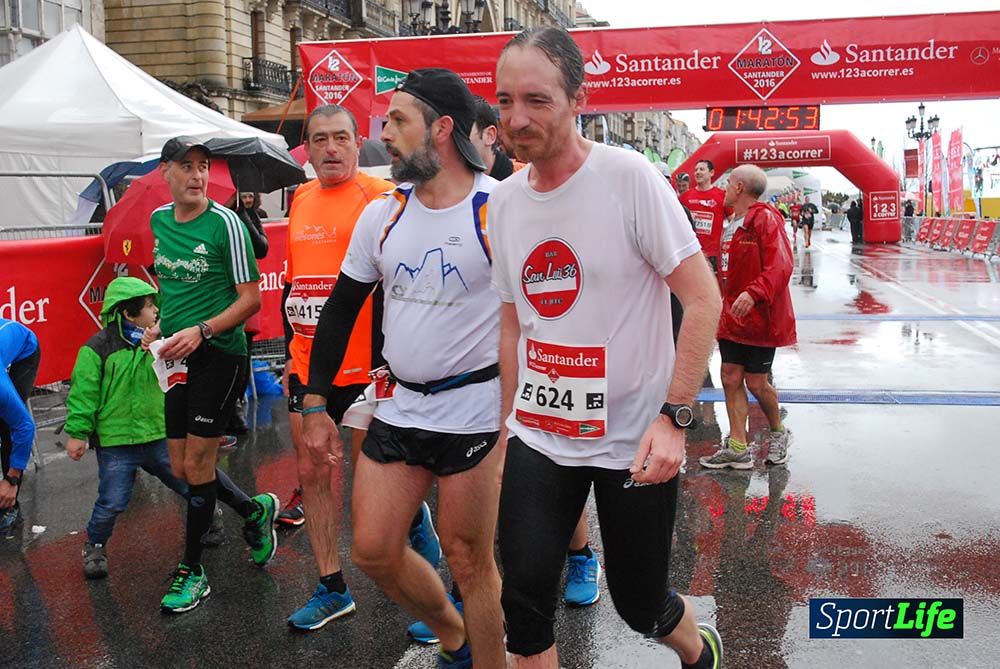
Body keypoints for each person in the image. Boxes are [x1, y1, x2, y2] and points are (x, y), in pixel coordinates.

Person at [491, 27, 724, 669]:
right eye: (505, 100)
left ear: (577, 99)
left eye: (537, 100)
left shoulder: (628, 178)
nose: (516, 118)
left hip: (634, 439)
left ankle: (698, 649)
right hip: (541, 433)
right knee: (525, 605)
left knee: (638, 602)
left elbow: (703, 299)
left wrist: (675, 418)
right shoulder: (504, 203)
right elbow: (516, 325)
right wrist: (509, 426)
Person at [302, 68, 505, 669]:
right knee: (371, 549)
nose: (383, 133)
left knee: (471, 563)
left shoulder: (499, 208)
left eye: (397, 121)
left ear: (441, 128)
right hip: (401, 404)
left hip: (475, 410)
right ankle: (453, 632)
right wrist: (315, 402)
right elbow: (341, 310)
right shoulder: (383, 214)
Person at [279, 104, 400, 631]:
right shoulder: (302, 197)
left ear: (357, 144)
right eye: (320, 139)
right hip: (310, 371)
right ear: (307, 148)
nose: (330, 149)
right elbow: (298, 286)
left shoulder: (382, 198)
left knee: (381, 486)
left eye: (340, 139)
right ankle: (331, 587)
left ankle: (417, 584)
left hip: (370, 368)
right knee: (314, 476)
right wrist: (291, 355)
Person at [146, 136, 279, 613]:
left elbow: (251, 300)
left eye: (203, 166)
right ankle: (253, 509)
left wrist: (202, 330)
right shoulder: (159, 221)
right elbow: (173, 286)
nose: (198, 175)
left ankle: (192, 571)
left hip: (220, 352)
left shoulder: (227, 225)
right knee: (182, 468)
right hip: (177, 357)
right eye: (187, 166)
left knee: (198, 467)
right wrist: (161, 325)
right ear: (166, 172)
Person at [64, 277, 224, 579]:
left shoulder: (162, 341)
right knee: (111, 501)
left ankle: (209, 517)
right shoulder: (95, 349)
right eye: (149, 306)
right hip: (116, 441)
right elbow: (83, 393)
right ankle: (95, 545)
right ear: (127, 313)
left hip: (158, 434)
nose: (155, 311)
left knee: (188, 484)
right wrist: (77, 433)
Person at [700, 165, 796, 471]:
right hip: (732, 316)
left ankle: (779, 432)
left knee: (756, 382)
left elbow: (781, 266)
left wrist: (752, 294)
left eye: (729, 183)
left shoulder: (765, 219)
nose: (725, 189)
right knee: (729, 375)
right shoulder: (731, 222)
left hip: (760, 317)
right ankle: (738, 447)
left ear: (740, 187)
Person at [0, 318, 40, 534]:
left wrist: (11, 478)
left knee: (8, 426)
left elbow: (25, 427)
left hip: (25, 351)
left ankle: (9, 504)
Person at [679, 159, 731, 273]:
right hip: (690, 253)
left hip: (712, 255)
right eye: (696, 170)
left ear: (711, 173)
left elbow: (733, 220)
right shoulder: (685, 197)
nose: (697, 172)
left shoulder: (721, 196)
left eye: (702, 169)